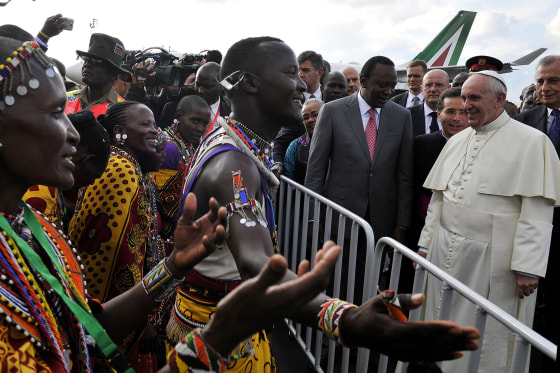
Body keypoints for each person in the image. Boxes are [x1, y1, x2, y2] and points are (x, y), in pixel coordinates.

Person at [172, 37, 482, 372]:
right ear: (249, 82)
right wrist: (347, 319)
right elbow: (255, 264)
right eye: (292, 73)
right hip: (217, 345)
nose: (302, 85)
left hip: (221, 328)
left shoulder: (234, 144)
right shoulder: (233, 165)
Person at [417, 70, 560, 373]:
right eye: (464, 97)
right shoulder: (457, 140)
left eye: (474, 98)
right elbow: (439, 199)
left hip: (495, 260)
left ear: (500, 99)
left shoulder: (533, 142)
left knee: (488, 339)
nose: (467, 104)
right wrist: (425, 245)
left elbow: (537, 210)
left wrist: (528, 267)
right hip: (446, 251)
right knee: (441, 323)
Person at [68, 100, 167, 371]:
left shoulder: (133, 167)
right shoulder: (120, 169)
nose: (154, 131)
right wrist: (137, 318)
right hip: (111, 311)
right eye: (145, 124)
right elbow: (117, 254)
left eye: (155, 125)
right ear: (120, 132)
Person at [306, 55, 414, 301]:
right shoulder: (333, 111)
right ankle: (333, 331)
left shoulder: (401, 117)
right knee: (337, 279)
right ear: (363, 81)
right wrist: (313, 218)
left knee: (370, 281)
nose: (388, 92)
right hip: (340, 216)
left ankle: (360, 330)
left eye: (391, 86)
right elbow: (316, 169)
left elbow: (404, 175)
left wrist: (401, 224)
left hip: (381, 218)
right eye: (382, 85)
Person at [515, 54, 560, 371]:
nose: (544, 87)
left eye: (553, 80)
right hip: (532, 230)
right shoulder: (527, 120)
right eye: (540, 80)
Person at [23, 110, 111, 233]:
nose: (91, 184)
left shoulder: (43, 178)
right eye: (94, 177)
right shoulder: (40, 196)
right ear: (85, 160)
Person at [65, 33, 128, 117]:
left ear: (114, 73)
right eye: (86, 59)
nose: (87, 65)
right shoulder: (64, 99)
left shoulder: (123, 111)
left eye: (96, 62)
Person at [284, 98, 324, 183]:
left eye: (315, 115)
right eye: (305, 117)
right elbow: (289, 179)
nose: (310, 120)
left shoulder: (338, 140)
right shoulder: (295, 146)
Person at [409, 69, 450, 136]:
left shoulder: (458, 116)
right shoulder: (408, 116)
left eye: (439, 85)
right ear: (422, 89)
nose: (433, 89)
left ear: (449, 88)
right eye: (428, 85)